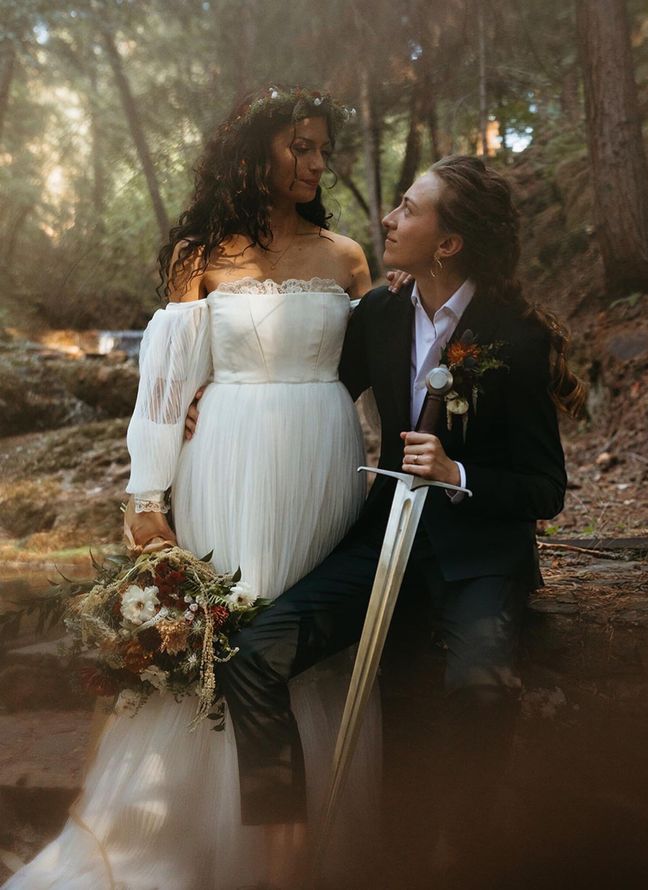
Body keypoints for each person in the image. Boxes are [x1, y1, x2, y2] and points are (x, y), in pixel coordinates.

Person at [3, 85, 382, 890]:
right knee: (229, 634)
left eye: (323, 148)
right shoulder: (198, 258)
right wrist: (147, 500)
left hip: (325, 463)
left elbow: (373, 376)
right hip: (227, 465)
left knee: (303, 642)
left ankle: (312, 847)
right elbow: (167, 390)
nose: (318, 162)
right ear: (257, 153)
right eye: (301, 147)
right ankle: (195, 836)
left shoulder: (348, 258)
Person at [213, 154, 587, 888]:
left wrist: (457, 474)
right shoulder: (379, 316)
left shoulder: (514, 336)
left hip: (477, 555)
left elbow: (546, 488)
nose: (388, 218)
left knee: (478, 695)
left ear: (448, 243)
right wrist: (209, 398)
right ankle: (285, 857)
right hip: (381, 541)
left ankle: (462, 859)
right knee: (252, 656)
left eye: (409, 209)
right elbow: (304, 386)